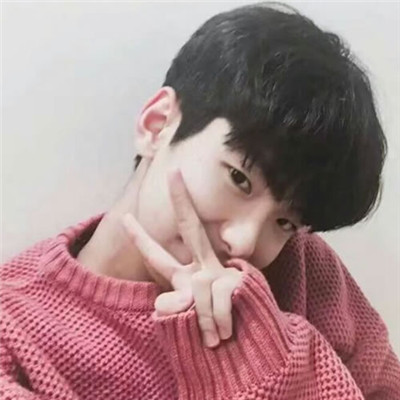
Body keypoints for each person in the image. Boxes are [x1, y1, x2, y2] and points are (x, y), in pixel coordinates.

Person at [1, 2, 399, 399]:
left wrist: (265, 360)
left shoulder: (302, 266)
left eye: (285, 222)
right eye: (239, 178)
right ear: (157, 125)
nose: (245, 242)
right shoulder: (14, 335)